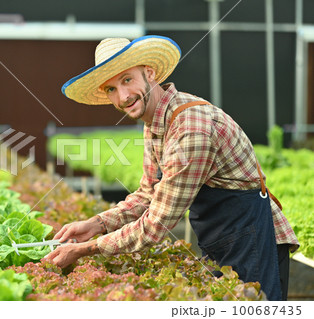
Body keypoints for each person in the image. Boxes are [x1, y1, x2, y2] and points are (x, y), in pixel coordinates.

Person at [43, 35, 299, 301]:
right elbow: (148, 194)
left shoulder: (191, 128)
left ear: (149, 73)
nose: (123, 96)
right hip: (223, 237)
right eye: (111, 89)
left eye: (127, 80)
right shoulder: (155, 122)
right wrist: (97, 224)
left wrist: (87, 249)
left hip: (251, 238)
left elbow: (156, 225)